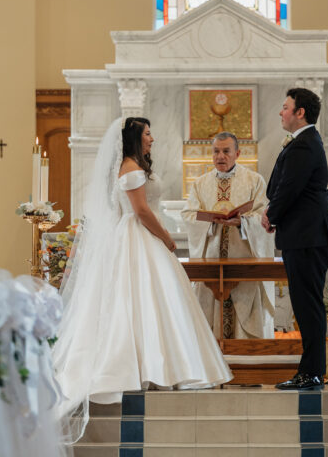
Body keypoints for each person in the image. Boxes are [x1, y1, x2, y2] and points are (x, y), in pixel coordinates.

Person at [53, 116, 230, 425]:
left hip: (133, 235)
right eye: (148, 133)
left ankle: (157, 365)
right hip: (138, 235)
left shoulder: (131, 166)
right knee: (141, 301)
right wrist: (166, 238)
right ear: (135, 137)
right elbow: (142, 211)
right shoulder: (132, 169)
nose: (152, 138)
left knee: (148, 303)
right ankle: (145, 368)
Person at [262, 87, 328, 390]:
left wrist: (272, 215)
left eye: (285, 107)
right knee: (306, 305)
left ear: (300, 112)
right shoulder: (303, 142)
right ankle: (310, 370)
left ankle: (311, 372)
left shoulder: (305, 144)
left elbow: (290, 188)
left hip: (309, 236)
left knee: (307, 306)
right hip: (306, 235)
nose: (281, 112)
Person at [182, 131, 274, 339]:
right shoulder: (200, 184)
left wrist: (242, 222)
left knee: (243, 312)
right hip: (211, 262)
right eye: (216, 151)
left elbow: (264, 216)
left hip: (243, 261)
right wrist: (209, 220)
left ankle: (246, 359)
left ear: (237, 153)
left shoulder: (254, 181)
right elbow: (188, 215)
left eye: (226, 151)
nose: (220, 156)